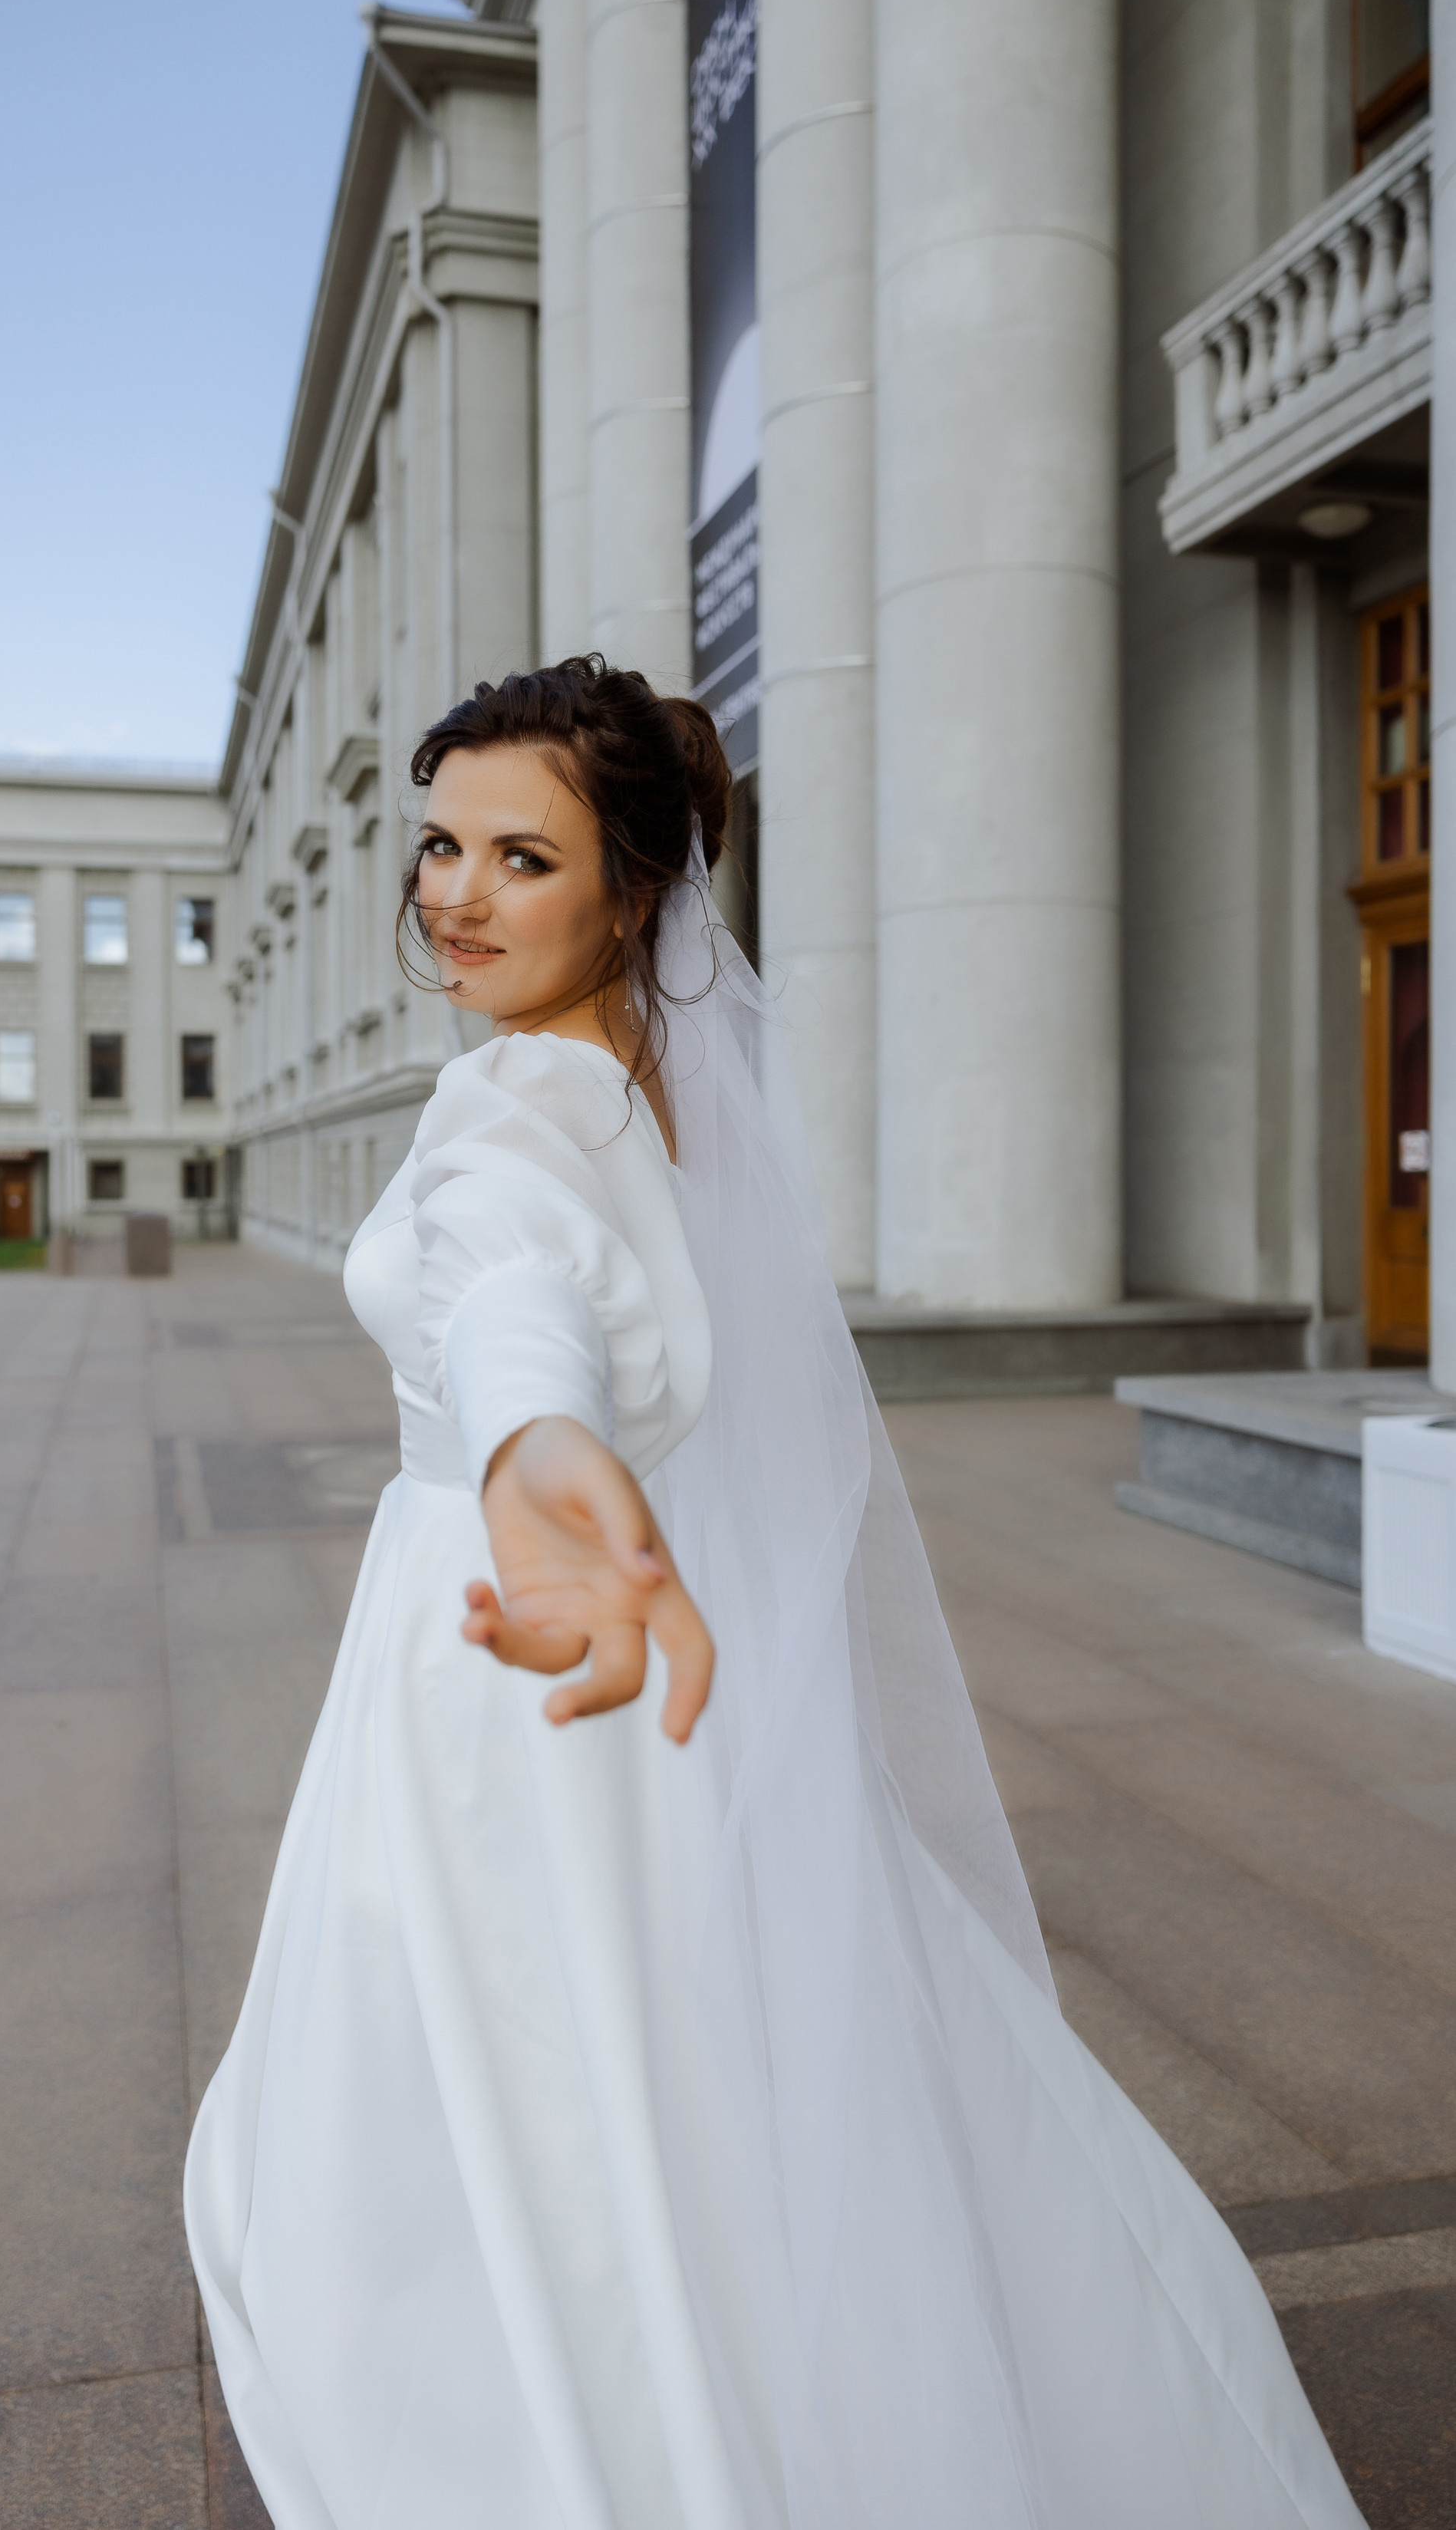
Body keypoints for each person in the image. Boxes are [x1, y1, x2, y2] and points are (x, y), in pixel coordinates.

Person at [185, 657, 1363, 2530]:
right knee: (675, 2070)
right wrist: (548, 1450)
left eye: (519, 854)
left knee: (544, 2097)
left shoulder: (517, 1105)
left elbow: (515, 1300)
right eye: (437, 844)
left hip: (515, 1635)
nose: (453, 893)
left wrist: (534, 1453)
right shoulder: (637, 1082)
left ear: (632, 891)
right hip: (589, 1625)